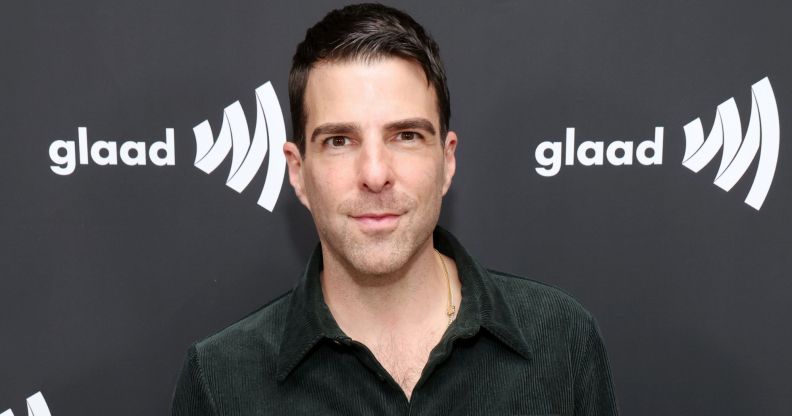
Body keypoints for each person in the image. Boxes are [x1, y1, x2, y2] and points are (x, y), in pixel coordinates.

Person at [171, 3, 619, 415]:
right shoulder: (220, 381)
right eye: (339, 141)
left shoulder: (562, 343)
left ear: (447, 161)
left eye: (406, 135)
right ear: (297, 171)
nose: (375, 173)